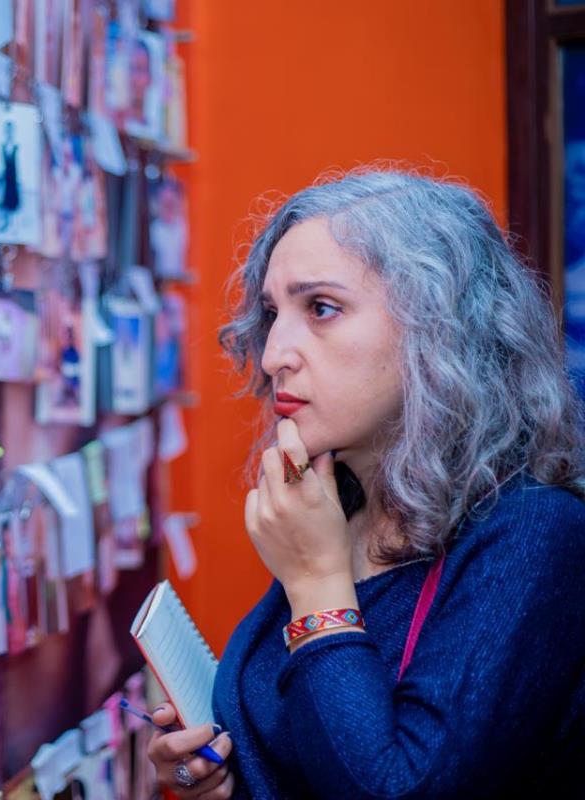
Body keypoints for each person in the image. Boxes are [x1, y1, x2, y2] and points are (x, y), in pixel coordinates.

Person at [146, 169, 585, 798]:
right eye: (273, 314)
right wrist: (223, 778)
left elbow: (398, 787)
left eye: (321, 308)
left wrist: (317, 585)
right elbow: (320, 747)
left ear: (440, 328)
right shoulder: (339, 504)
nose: (272, 355)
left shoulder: (534, 534)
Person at [150, 178, 187, 278]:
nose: (168, 209)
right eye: (165, 204)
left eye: (172, 204)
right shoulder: (153, 231)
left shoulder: (185, 228)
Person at [0, 119, 21, 231]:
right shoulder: (2, 146)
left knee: (12, 203)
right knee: (6, 202)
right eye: (7, 130)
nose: (9, 132)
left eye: (10, 130)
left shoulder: (16, 146)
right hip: (5, 181)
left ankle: (12, 227)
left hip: (13, 181)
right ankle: (5, 225)